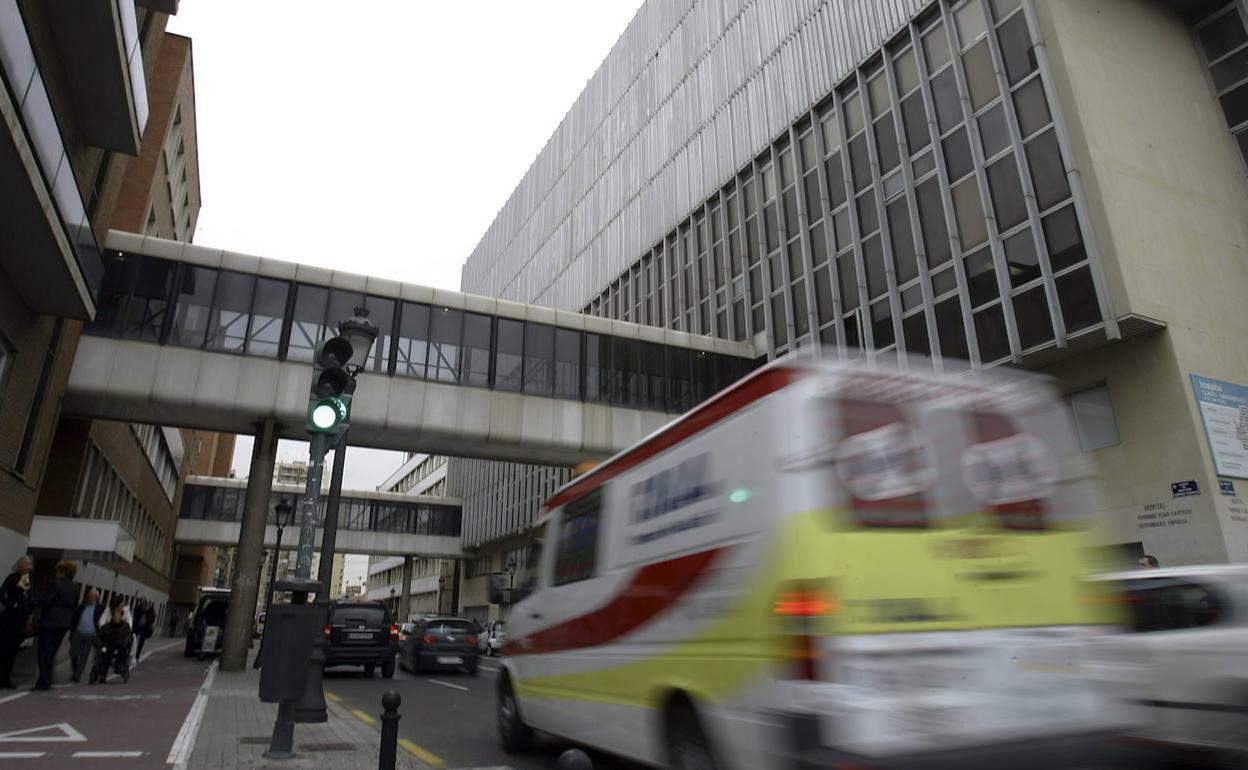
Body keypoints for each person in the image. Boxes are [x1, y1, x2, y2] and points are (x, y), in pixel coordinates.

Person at [34, 560, 78, 691]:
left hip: (51, 621)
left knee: (44, 652)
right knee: (52, 651)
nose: (56, 574)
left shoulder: (57, 585)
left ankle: (44, 680)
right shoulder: (75, 587)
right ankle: (46, 679)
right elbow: (74, 604)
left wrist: (34, 600)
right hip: (64, 623)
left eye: (58, 571)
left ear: (62, 572)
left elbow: (48, 600)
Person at [0, 556, 34, 689]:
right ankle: (2, 678)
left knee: (13, 651)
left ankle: (6, 679)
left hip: (20, 619)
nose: (31, 567)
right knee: (5, 649)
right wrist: (12, 604)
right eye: (29, 564)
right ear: (22, 565)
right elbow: (2, 593)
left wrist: (28, 608)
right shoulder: (13, 577)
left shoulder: (25, 579)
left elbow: (26, 597)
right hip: (10, 619)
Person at [90, 605, 132, 685]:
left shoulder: (125, 627)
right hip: (108, 645)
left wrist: (123, 644)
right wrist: (100, 645)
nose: (116, 618)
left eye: (118, 616)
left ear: (121, 617)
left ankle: (119, 666)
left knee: (121, 651)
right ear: (112, 617)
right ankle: (102, 671)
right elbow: (98, 637)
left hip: (120, 646)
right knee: (105, 654)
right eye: (115, 616)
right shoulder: (107, 626)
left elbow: (127, 637)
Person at [70, 589, 104, 683]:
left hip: (91, 634)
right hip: (78, 632)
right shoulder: (82, 606)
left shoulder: (100, 608)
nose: (90, 598)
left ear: (96, 598)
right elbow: (74, 618)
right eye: (89, 596)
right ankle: (75, 669)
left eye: (93, 596)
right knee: (73, 652)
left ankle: (77, 675)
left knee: (84, 655)